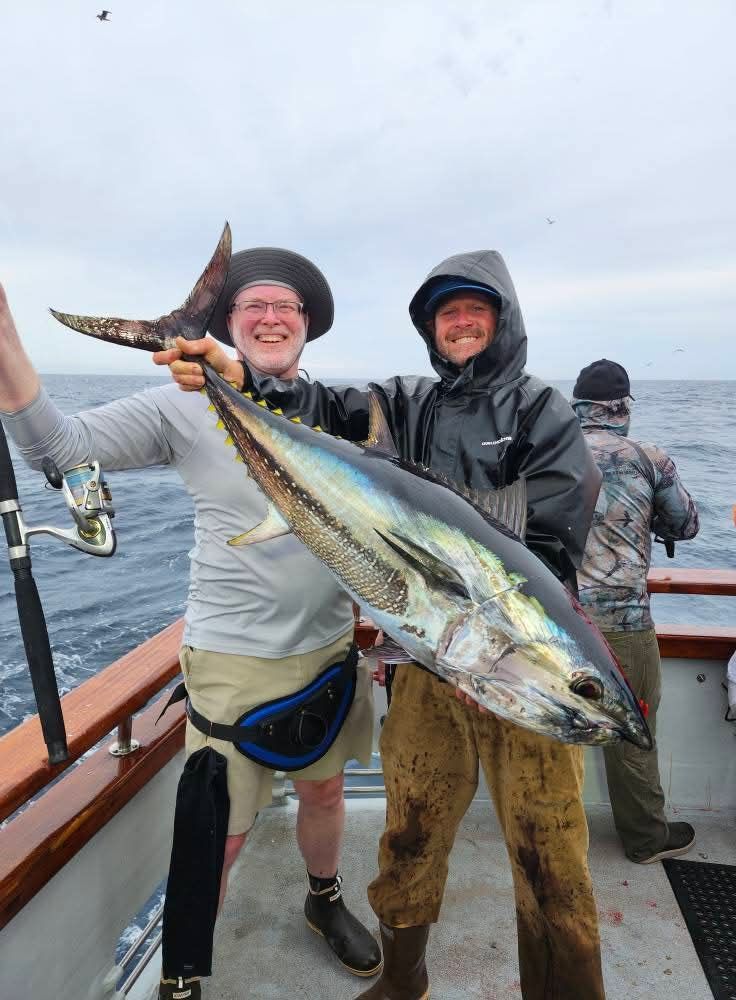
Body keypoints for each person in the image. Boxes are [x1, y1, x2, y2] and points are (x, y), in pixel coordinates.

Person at [163, 250, 607, 1000]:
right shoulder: (408, 404)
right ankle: (404, 982)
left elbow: (553, 548)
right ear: (430, 330)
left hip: (524, 673)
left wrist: (495, 657)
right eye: (446, 313)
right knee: (410, 833)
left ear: (504, 321)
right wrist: (236, 374)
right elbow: (317, 412)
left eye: (475, 309)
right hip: (429, 665)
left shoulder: (541, 410)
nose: (460, 323)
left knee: (549, 856)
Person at [0, 248, 381, 1000]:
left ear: (307, 326)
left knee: (327, 794)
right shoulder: (184, 405)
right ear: (229, 326)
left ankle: (324, 896)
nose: (272, 317)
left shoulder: (343, 416)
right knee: (224, 833)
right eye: (254, 307)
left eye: (287, 307)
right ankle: (182, 973)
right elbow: (59, 450)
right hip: (233, 660)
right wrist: (7, 341)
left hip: (333, 649)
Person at [571, 359, 700, 865]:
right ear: (623, 408)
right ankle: (646, 838)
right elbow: (685, 524)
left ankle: (546, 833)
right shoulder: (650, 458)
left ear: (577, 406)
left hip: (556, 620)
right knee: (634, 729)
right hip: (624, 625)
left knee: (554, 726)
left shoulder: (546, 452)